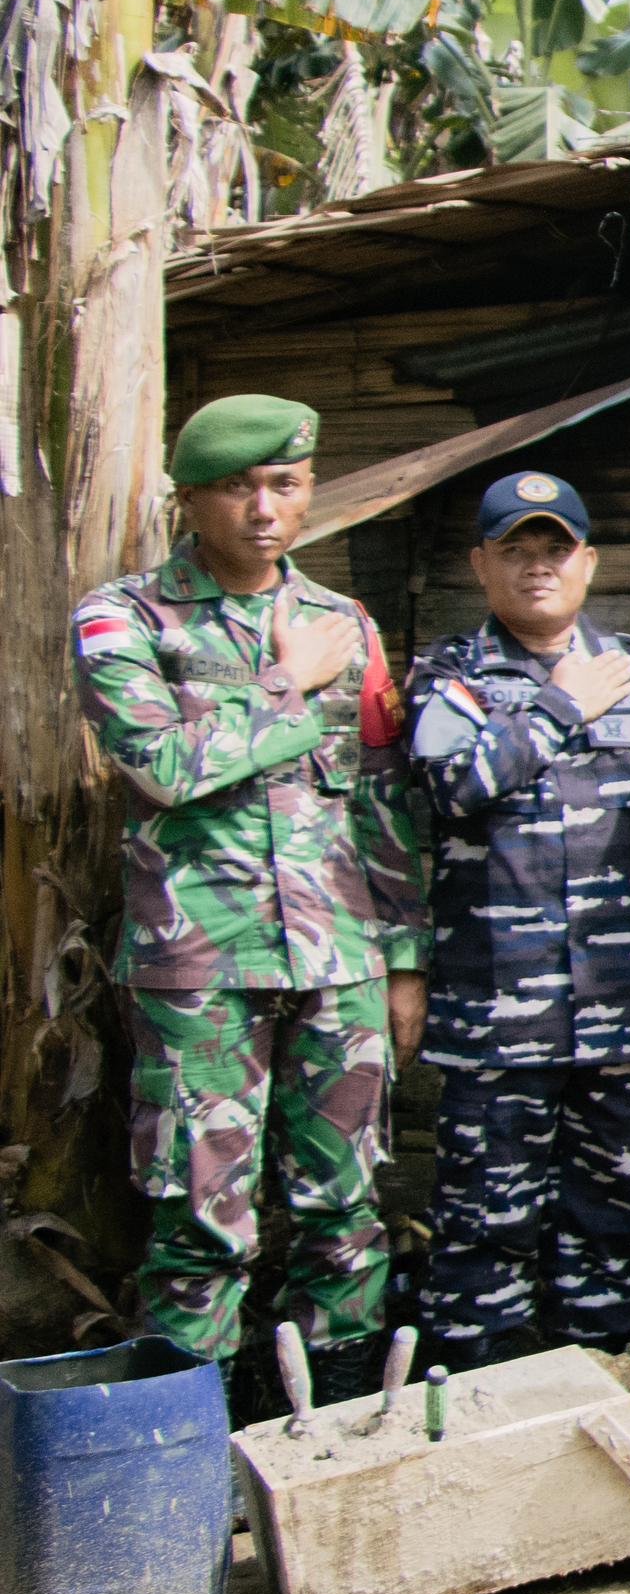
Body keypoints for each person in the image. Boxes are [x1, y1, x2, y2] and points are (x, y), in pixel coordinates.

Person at [75, 394, 426, 1407]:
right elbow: (162, 767)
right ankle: (194, 1457)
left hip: (339, 958)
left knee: (346, 1205)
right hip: (201, 967)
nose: (265, 509)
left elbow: (383, 798)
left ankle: (343, 1429)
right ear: (189, 501)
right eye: (237, 488)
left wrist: (401, 960)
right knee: (201, 1213)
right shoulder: (124, 619)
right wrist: (281, 685)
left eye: (285, 484)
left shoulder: (344, 625)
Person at [403, 473, 630, 1370]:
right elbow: (452, 787)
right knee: (484, 1216)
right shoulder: (448, 673)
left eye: (554, 549)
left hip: (617, 1004)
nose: (536, 567)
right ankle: (476, 1393)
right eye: (515, 549)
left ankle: (600, 1381)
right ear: (481, 564)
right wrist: (561, 704)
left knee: (614, 1207)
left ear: (587, 562)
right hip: (496, 1009)